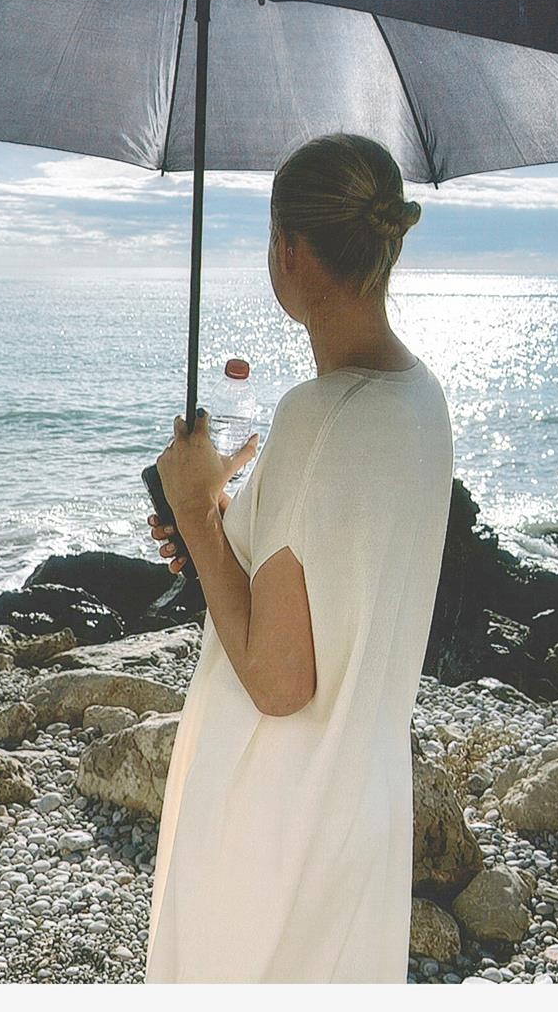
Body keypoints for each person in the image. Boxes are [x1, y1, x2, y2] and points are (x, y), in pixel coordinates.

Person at [143, 132, 455, 983]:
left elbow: (281, 679)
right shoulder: (420, 401)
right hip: (360, 809)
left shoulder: (321, 415)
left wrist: (198, 522)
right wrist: (225, 515)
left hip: (276, 823)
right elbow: (343, 571)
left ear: (289, 250)